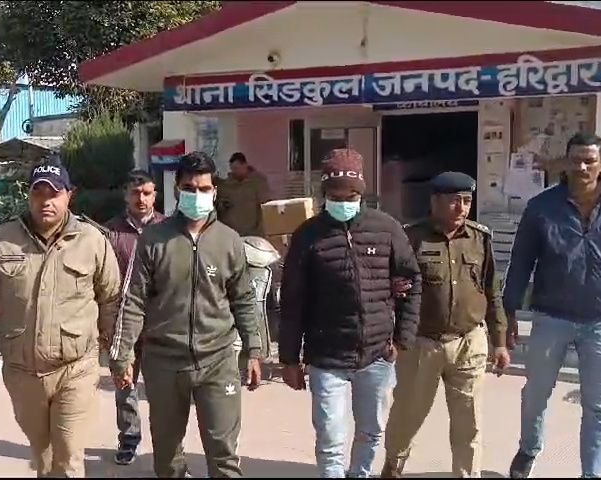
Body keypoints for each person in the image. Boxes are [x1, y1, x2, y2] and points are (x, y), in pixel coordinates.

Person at [0, 158, 121, 477]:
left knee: (68, 455)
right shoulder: (2, 240)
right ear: (29, 195)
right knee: (44, 456)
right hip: (23, 373)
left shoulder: (92, 240)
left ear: (69, 196)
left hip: (76, 368)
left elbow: (111, 299)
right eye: (38, 193)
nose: (46, 201)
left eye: (54, 193)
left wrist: (117, 356)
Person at [110, 151, 262, 478]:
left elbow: (244, 300)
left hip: (217, 361)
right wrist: (122, 355)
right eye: (189, 188)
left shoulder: (229, 241)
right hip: (164, 362)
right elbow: (133, 300)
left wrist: (254, 349)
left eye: (204, 188)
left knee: (223, 455)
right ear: (177, 190)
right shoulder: (154, 240)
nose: (197, 195)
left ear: (215, 191)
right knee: (168, 458)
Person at [279, 148, 423, 478]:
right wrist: (289, 359)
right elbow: (292, 302)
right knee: (330, 438)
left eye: (351, 196)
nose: (344, 202)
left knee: (371, 431)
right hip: (326, 357)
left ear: (362, 193)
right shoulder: (308, 235)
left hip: (376, 355)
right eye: (335, 196)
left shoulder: (386, 228)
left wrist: (402, 339)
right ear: (324, 194)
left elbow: (412, 281)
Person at [381, 171, 510, 478]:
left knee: (469, 422)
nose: (461, 208)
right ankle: (393, 466)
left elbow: (492, 290)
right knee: (407, 415)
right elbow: (392, 292)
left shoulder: (479, 238)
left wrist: (500, 341)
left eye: (467, 201)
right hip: (421, 344)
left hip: (469, 342)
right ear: (435, 201)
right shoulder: (411, 237)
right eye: (454, 201)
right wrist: (392, 337)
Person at [503, 132, 601, 479]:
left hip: (598, 323)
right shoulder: (541, 207)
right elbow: (521, 261)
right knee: (536, 394)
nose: (582, 167)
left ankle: (592, 472)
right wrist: (508, 312)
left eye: (590, 160)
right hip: (551, 317)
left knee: (597, 405)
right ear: (565, 163)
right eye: (576, 160)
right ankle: (529, 448)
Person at [105, 169, 165, 465]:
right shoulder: (110, 232)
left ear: (155, 195)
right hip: (123, 326)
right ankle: (129, 439)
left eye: (146, 193)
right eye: (135, 193)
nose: (141, 199)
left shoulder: (169, 229)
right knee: (124, 385)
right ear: (125, 196)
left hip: (160, 326)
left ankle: (166, 445)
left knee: (163, 391)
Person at [216, 152, 271, 236]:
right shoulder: (227, 185)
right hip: (233, 233)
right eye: (232, 169)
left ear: (244, 165)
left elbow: (265, 203)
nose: (234, 171)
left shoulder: (257, 182)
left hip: (253, 232)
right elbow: (219, 203)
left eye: (236, 168)